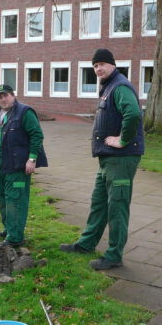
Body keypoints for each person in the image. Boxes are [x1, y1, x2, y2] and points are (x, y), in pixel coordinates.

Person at [60, 49, 144, 270]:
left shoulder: (120, 86)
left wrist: (123, 140)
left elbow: (133, 114)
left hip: (121, 158)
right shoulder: (108, 88)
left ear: (112, 65)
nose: (98, 69)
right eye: (95, 65)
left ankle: (114, 255)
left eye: (102, 64)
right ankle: (86, 244)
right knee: (99, 203)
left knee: (117, 206)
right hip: (108, 159)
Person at [0, 84, 48, 247]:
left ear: (13, 95)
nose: (2, 99)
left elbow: (37, 135)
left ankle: (15, 238)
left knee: (15, 200)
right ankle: (9, 229)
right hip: (2, 164)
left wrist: (32, 159)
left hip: (18, 166)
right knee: (3, 199)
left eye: (5, 95)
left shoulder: (24, 112)